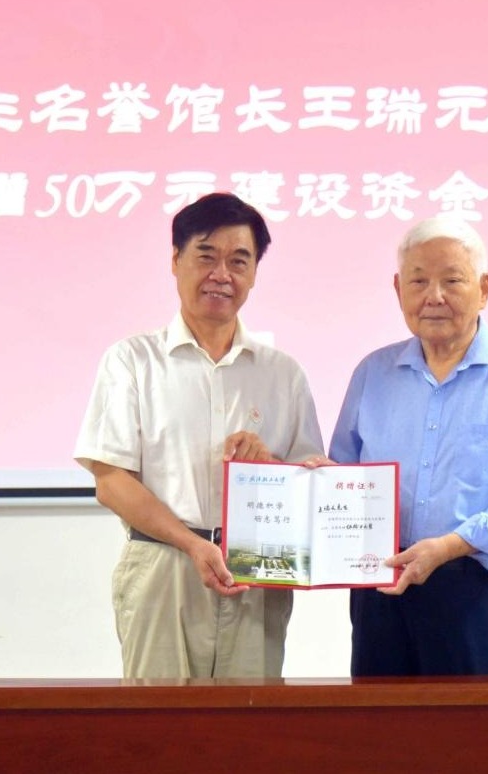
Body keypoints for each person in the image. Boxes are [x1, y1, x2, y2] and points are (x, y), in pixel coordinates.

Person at [74, 192, 325, 679]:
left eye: (239, 261)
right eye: (206, 256)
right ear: (175, 260)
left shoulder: (283, 374)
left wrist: (272, 467)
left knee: (251, 718)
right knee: (158, 720)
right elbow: (111, 481)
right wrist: (193, 545)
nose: (221, 274)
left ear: (254, 273)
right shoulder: (132, 361)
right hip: (163, 565)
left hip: (256, 571)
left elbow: (310, 488)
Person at [329, 214, 488, 676]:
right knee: (380, 721)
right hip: (384, 595)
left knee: (484, 723)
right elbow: (342, 474)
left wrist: (450, 547)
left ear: (484, 289)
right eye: (418, 281)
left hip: (483, 592)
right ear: (399, 290)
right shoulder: (372, 373)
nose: (433, 296)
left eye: (452, 280)